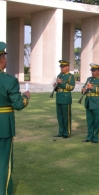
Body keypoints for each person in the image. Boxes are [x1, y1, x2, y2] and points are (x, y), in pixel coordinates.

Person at [0, 41, 30, 195]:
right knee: (3, 163)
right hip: (3, 126)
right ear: (2, 59)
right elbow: (18, 104)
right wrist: (26, 97)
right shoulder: (9, 81)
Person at [82, 63, 99, 143]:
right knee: (89, 121)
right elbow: (84, 86)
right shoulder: (89, 79)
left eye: (94, 71)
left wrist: (93, 88)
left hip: (97, 103)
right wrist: (83, 90)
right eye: (92, 71)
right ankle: (89, 137)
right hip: (89, 102)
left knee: (97, 122)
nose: (92, 72)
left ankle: (96, 138)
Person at [53, 60, 75, 138]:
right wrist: (55, 85)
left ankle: (67, 132)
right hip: (59, 97)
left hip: (66, 97)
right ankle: (61, 132)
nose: (62, 68)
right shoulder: (59, 75)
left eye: (63, 67)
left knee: (66, 116)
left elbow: (71, 87)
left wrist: (62, 83)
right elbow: (58, 87)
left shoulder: (70, 76)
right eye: (61, 67)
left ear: (67, 67)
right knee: (60, 116)